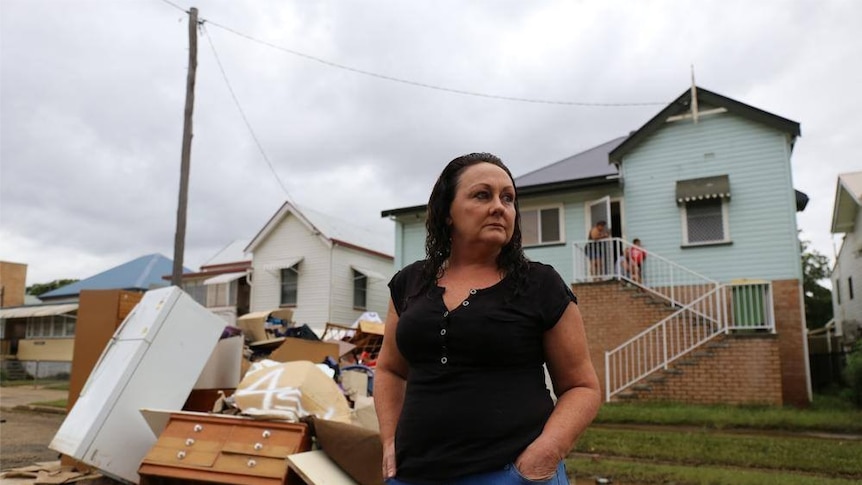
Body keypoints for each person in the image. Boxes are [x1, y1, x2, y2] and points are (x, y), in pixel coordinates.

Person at [374, 153, 601, 484]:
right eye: (483, 195)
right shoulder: (409, 283)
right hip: (412, 474)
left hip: (510, 475)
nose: (499, 206)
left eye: (508, 198)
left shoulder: (541, 285)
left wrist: (543, 457)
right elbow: (390, 369)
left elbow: (582, 386)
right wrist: (389, 441)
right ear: (447, 212)